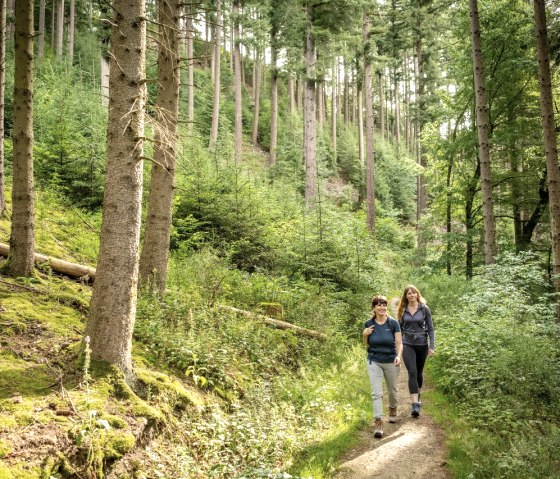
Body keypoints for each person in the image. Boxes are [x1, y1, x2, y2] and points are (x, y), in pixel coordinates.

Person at [362, 295, 403, 438]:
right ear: (373, 308)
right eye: (378, 305)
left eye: (384, 305)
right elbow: (366, 344)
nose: (382, 307)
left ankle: (392, 409)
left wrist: (398, 356)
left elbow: (398, 343)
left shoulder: (393, 323)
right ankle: (378, 421)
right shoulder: (368, 323)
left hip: (391, 360)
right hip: (374, 361)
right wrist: (364, 335)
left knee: (392, 390)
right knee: (376, 392)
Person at [396, 285, 435, 418]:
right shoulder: (402, 310)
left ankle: (418, 395)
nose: (411, 295)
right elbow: (399, 330)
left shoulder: (424, 309)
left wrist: (432, 346)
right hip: (408, 344)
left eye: (413, 293)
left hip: (422, 344)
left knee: (418, 373)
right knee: (412, 372)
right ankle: (415, 404)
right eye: (409, 294)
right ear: (405, 296)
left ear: (417, 294)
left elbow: (430, 329)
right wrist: (397, 346)